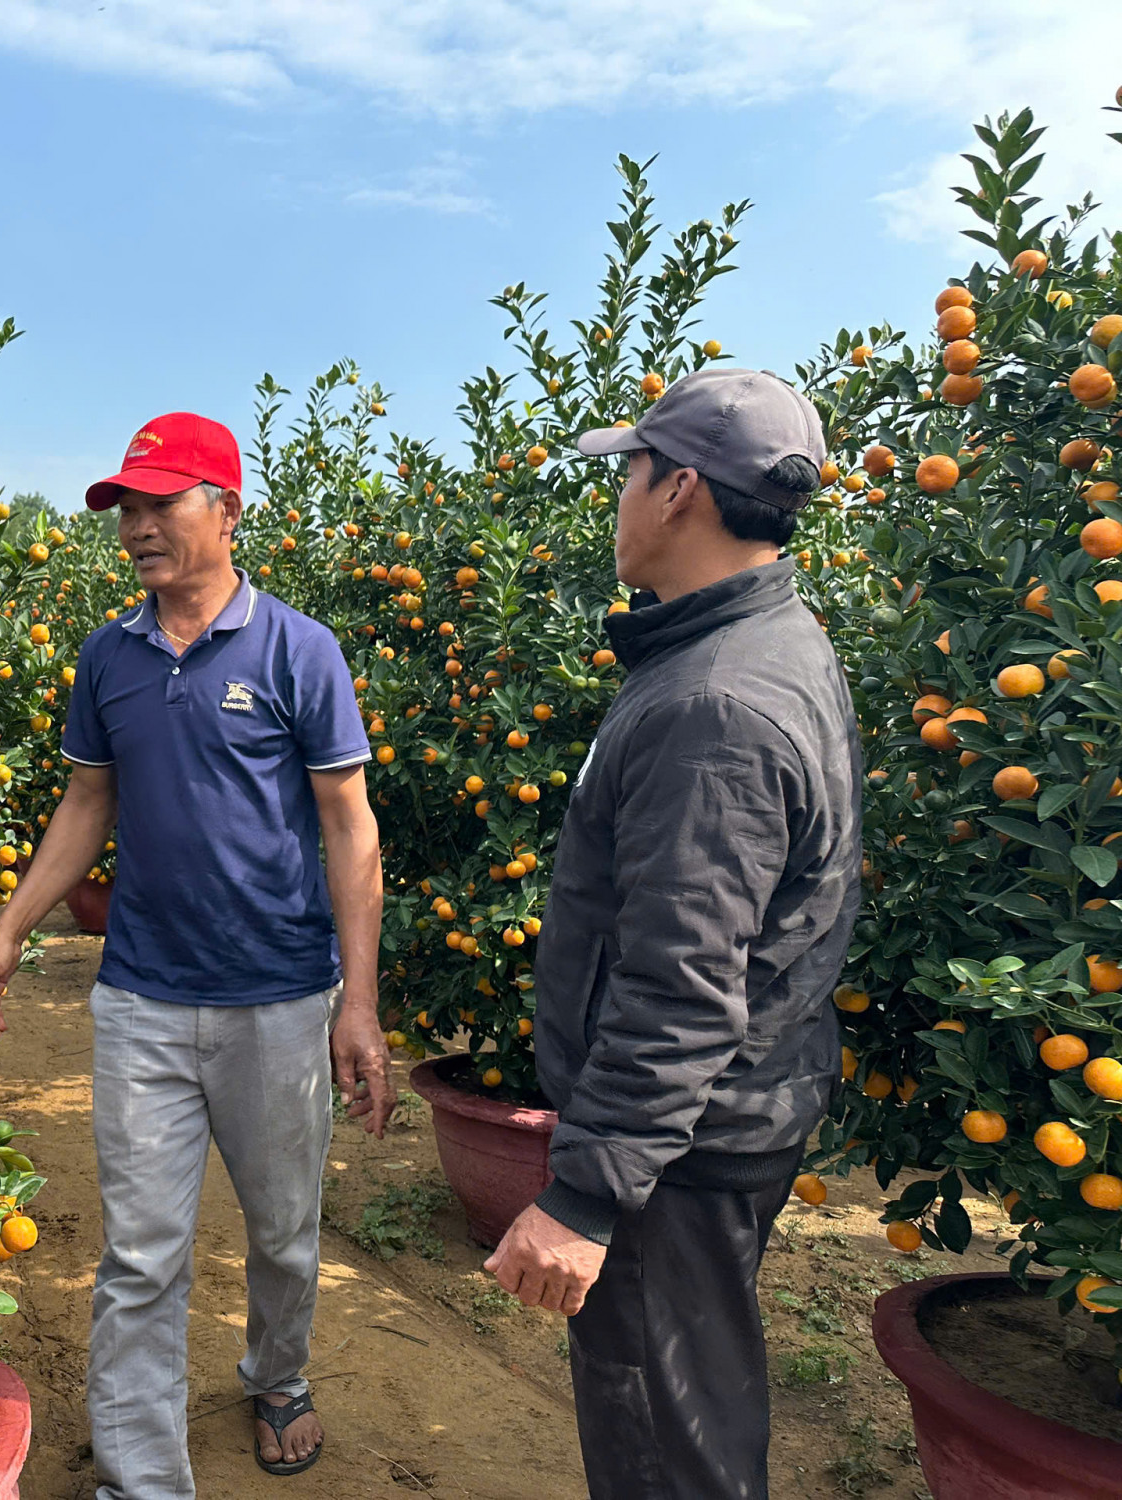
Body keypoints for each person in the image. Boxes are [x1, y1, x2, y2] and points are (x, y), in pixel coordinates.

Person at [0, 410, 393, 1497]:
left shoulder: (299, 650)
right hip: (143, 998)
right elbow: (84, 804)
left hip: (279, 999)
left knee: (284, 1233)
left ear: (226, 510)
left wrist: (358, 1001)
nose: (137, 528)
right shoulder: (107, 655)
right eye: (125, 509)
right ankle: (142, 1479)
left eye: (160, 504)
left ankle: (274, 1374)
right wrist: (6, 932)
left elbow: (350, 827)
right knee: (142, 1255)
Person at [482, 369, 863, 1498]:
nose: (619, 498)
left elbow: (681, 983)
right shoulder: (764, 643)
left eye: (629, 472)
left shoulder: (712, 704)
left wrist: (587, 1196)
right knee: (688, 1424)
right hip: (717, 1123)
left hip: (677, 1151)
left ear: (678, 490)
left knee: (666, 1455)